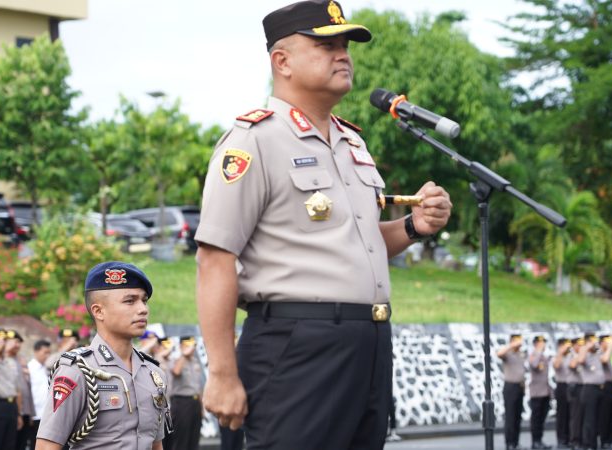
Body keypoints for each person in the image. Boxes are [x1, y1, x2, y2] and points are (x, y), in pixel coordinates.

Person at [194, 1, 452, 448]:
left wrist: (413, 227)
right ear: (282, 61)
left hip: (367, 342)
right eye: (326, 45)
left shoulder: (352, 142)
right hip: (296, 346)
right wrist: (221, 373)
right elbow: (214, 258)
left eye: (345, 46)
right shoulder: (254, 141)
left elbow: (361, 241)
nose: (343, 55)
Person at [35, 261, 171, 450]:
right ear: (99, 311)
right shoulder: (77, 372)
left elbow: (156, 444)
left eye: (144, 300)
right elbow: (46, 446)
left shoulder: (153, 374)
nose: (143, 309)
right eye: (130, 301)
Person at [169, 336, 205, 450]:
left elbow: (198, 387)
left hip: (195, 403)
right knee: (181, 439)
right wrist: (184, 355)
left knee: (194, 439)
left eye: (192, 345)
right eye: (187, 345)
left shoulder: (195, 362)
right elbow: (176, 372)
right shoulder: (175, 359)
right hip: (181, 403)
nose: (191, 348)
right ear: (181, 346)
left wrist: (202, 408)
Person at [578, 331, 609, 450]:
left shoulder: (597, 354)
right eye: (592, 340)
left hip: (600, 388)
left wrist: (603, 347)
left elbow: (605, 359)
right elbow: (580, 360)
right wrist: (587, 346)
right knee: (589, 419)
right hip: (589, 389)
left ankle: (596, 444)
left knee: (599, 419)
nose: (595, 343)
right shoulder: (584, 352)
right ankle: (588, 445)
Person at [6, 330, 36, 450]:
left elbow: (27, 390)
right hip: (11, 411)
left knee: (22, 445)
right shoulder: (3, 360)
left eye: (18, 342)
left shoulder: (21, 360)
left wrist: (31, 413)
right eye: (14, 342)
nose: (16, 345)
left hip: (25, 412)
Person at [498, 332, 526, 450]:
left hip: (520, 387)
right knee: (510, 416)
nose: (519, 344)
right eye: (516, 341)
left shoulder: (520, 354)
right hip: (510, 387)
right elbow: (499, 353)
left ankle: (515, 442)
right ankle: (509, 443)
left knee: (518, 416)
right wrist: (511, 345)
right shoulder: (507, 353)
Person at [528, 333, 553, 449]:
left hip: (545, 392)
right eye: (540, 343)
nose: (543, 345)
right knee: (536, 419)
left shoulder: (543, 356)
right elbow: (534, 364)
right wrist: (538, 350)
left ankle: (540, 440)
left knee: (542, 418)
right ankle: (535, 441)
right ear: (535, 344)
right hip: (537, 393)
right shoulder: (534, 355)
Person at [27, 340, 52, 446]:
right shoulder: (29, 368)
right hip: (35, 415)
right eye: (45, 352)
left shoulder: (47, 369)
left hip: (46, 415)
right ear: (36, 351)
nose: (47, 355)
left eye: (49, 353)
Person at [597, 332, 612, 449]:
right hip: (604, 385)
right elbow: (604, 360)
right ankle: (604, 440)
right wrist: (609, 348)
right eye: (607, 341)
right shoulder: (599, 353)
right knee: (604, 414)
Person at [552, 337, 572, 449]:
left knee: (571, 414)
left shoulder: (571, 355)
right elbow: (556, 365)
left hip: (571, 386)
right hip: (562, 386)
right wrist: (561, 352)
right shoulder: (557, 356)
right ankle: (561, 439)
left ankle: (569, 438)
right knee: (562, 414)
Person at [566, 334, 585, 449]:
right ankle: (575, 441)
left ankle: (582, 439)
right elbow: (573, 365)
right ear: (573, 345)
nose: (581, 347)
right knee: (576, 416)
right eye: (579, 345)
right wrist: (581, 353)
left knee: (583, 415)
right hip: (574, 387)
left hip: (583, 387)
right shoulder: (570, 355)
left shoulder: (582, 355)